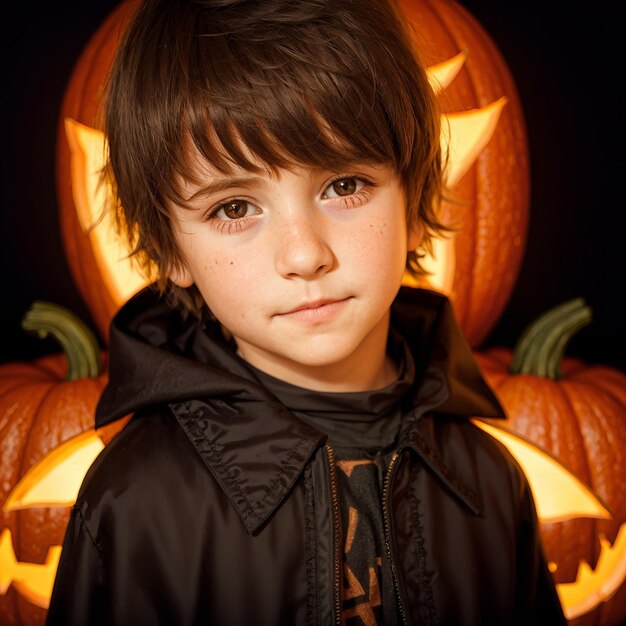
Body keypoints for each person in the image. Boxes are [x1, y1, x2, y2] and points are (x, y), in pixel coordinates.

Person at [46, 0, 567, 624]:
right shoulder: (132, 506)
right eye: (235, 208)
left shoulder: (491, 484)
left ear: (412, 190)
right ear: (170, 249)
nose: (304, 255)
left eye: (344, 185)